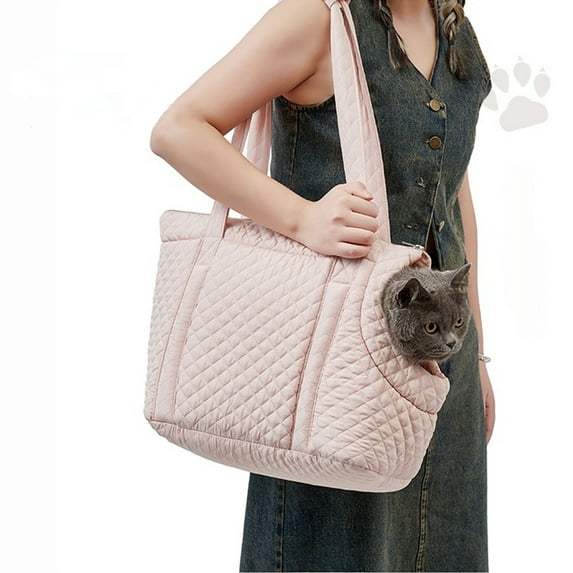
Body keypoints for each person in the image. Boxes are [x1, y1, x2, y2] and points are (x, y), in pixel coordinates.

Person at [149, 0, 495, 570]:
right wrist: (300, 218)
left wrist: (475, 353)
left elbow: (452, 190)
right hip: (331, 366)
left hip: (442, 364)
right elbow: (178, 130)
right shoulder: (318, 16)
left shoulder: (454, 27)